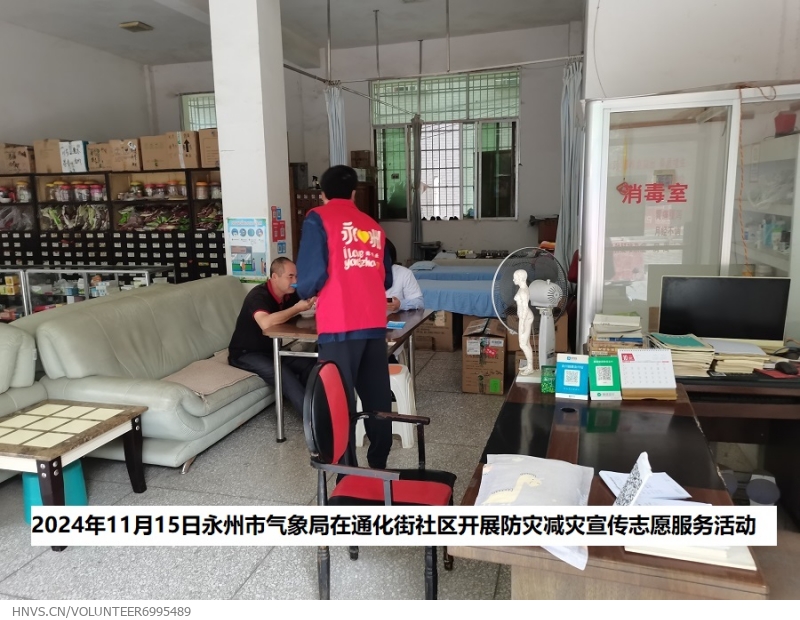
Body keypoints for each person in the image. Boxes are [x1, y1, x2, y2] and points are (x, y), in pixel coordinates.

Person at [296, 165, 394, 469]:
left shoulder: (318, 218)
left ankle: (346, 471)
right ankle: (378, 466)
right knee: (377, 398)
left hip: (338, 324)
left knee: (338, 402)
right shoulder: (373, 226)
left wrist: (307, 291)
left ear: (322, 193)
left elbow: (310, 277)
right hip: (374, 324)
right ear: (354, 192)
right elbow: (387, 278)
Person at [228, 257, 317, 414]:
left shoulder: (288, 294)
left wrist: (313, 298)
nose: (295, 281)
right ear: (275, 277)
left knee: (310, 365)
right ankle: (313, 419)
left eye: (296, 276)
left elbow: (307, 300)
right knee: (283, 374)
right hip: (246, 354)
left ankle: (317, 405)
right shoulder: (258, 296)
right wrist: (297, 309)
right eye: (290, 276)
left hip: (272, 350)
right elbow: (266, 323)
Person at [384, 238, 424, 313]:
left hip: (393, 318)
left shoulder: (404, 273)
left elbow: (419, 303)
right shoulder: (361, 275)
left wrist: (400, 304)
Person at [513, 269, 535, 375]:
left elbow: (525, 308)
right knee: (526, 343)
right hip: (524, 317)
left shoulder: (523, 291)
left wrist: (521, 324)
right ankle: (530, 365)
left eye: (515, 278)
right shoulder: (523, 289)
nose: (513, 280)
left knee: (522, 344)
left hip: (525, 318)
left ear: (521, 278)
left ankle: (530, 368)